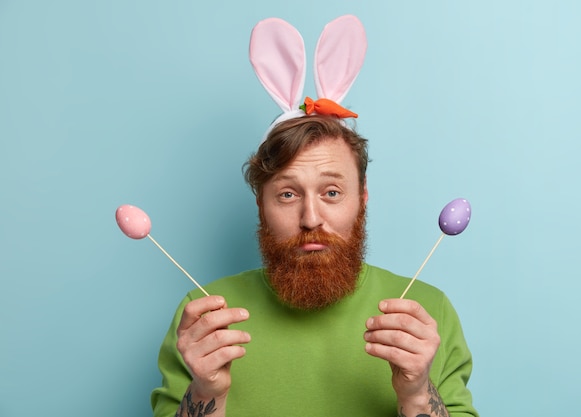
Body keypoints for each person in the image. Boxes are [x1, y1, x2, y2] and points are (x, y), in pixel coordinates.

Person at [151, 15, 478, 417]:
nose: (311, 218)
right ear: (260, 205)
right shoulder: (205, 316)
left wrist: (414, 393)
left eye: (332, 192)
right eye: (287, 194)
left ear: (362, 199)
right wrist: (208, 391)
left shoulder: (426, 313)